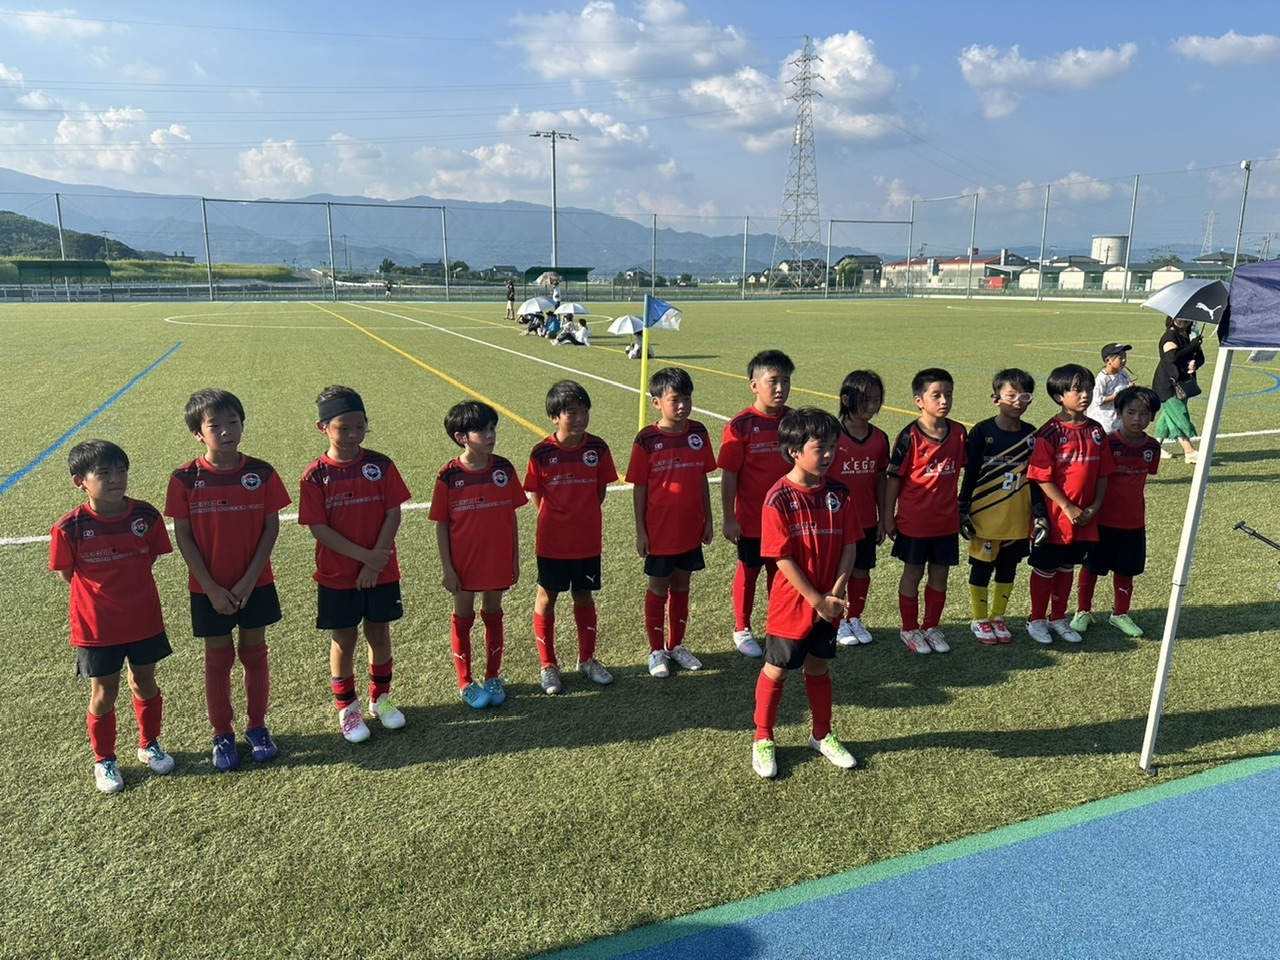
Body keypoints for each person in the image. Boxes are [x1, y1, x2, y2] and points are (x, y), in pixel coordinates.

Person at [165, 388, 291, 770]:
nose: (225, 431)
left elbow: (271, 528)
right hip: (209, 589)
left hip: (256, 583)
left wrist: (249, 581)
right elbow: (184, 536)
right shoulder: (184, 478)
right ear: (197, 434)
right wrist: (211, 588)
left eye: (233, 422)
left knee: (254, 653)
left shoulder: (262, 472)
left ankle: (257, 727)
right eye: (214, 425)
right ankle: (222, 734)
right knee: (218, 660)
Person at [50, 440, 176, 794]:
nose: (116, 479)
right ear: (80, 482)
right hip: (97, 627)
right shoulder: (69, 528)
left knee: (145, 682)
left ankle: (149, 744)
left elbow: (150, 556)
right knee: (104, 692)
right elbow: (67, 573)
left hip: (144, 620)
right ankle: (104, 759)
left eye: (121, 471)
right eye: (104, 473)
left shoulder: (145, 516)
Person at [751, 408, 860, 779]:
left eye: (833, 446)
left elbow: (849, 545)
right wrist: (816, 600)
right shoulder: (778, 498)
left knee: (818, 666)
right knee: (777, 669)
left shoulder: (839, 493)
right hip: (792, 604)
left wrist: (835, 594)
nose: (828, 454)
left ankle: (822, 734)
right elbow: (781, 557)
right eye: (820, 447)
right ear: (794, 450)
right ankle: (763, 737)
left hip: (830, 602)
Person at [299, 386, 411, 742]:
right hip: (338, 575)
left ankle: (381, 698)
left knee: (379, 633)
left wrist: (376, 563)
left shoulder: (381, 465)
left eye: (359, 426)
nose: (352, 435)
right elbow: (319, 529)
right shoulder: (315, 476)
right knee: (344, 640)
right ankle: (347, 708)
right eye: (343, 428)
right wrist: (366, 558)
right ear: (323, 428)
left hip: (381, 570)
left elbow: (393, 513)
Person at [431, 401, 528, 709]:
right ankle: (465, 682)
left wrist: (514, 558)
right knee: (463, 618)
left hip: (496, 559)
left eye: (492, 428)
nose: (490, 435)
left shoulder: (504, 468)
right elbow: (442, 525)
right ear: (461, 438)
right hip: (464, 564)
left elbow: (511, 516)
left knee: (493, 613)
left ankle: (492, 676)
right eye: (482, 430)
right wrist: (448, 569)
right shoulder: (448, 475)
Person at [523, 381, 618, 695]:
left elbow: (600, 491)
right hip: (552, 542)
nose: (580, 418)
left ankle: (587, 659)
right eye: (571, 412)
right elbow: (536, 494)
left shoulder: (598, 448)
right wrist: (557, 518)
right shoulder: (541, 452)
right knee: (547, 598)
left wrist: (581, 515)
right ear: (555, 417)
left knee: (584, 595)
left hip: (587, 540)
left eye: (584, 411)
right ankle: (548, 665)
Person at [626, 367, 717, 678]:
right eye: (675, 399)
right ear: (656, 403)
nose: (682, 405)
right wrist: (641, 530)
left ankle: (676, 644)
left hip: (689, 527)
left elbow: (702, 478)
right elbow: (639, 487)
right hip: (660, 531)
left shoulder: (698, 432)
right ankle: (656, 650)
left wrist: (708, 518)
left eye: (687, 398)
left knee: (682, 586)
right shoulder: (647, 439)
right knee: (658, 588)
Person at [1024, 364, 1116, 644]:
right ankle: (1036, 620)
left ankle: (1058, 618)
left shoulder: (1096, 430)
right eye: (1077, 390)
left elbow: (1103, 473)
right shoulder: (1049, 432)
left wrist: (1095, 506)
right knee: (1046, 568)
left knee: (1067, 567)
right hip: (1056, 518)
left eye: (1088, 388)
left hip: (1085, 517)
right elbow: (1041, 477)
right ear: (1059, 397)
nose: (1085, 395)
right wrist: (1066, 506)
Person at [884, 368, 968, 654]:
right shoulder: (909, 436)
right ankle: (909, 629)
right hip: (914, 522)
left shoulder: (959, 433)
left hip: (946, 522)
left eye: (948, 394)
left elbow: (967, 470)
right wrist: (888, 516)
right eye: (936, 395)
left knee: (940, 575)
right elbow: (894, 478)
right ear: (919, 401)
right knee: (913, 573)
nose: (944, 401)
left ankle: (931, 627)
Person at [718, 349, 795, 658]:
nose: (780, 388)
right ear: (754, 385)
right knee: (749, 572)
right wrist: (729, 518)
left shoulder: (794, 421)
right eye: (772, 381)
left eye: (785, 381)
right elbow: (729, 475)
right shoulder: (740, 426)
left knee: (782, 573)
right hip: (752, 520)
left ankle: (777, 625)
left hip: (788, 519)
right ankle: (742, 628)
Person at [1071, 386, 1162, 638]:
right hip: (1102, 521)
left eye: (1144, 414)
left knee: (1126, 570)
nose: (1137, 419)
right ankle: (1083, 611)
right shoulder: (1107, 444)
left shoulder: (1152, 447)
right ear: (1119, 413)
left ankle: (1120, 614)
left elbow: (1149, 473)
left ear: (1152, 416)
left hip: (1133, 522)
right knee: (1091, 567)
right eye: (1131, 412)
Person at [959, 369, 1039, 645]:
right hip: (985, 516)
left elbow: (1036, 477)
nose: (1018, 401)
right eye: (1011, 395)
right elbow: (970, 473)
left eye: (1024, 396)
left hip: (1017, 516)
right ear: (996, 399)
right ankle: (979, 618)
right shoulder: (982, 432)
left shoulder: (1031, 434)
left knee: (1008, 568)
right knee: (982, 568)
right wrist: (962, 506)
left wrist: (1039, 512)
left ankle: (997, 616)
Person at [831, 370, 889, 646]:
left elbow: (881, 479)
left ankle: (855, 617)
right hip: (834, 522)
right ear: (846, 400)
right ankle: (837, 621)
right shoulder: (831, 435)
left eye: (876, 400)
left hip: (865, 520)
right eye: (865, 400)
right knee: (837, 573)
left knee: (861, 571)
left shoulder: (880, 438)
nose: (871, 406)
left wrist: (882, 517)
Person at [1152, 317, 1204, 463]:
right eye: (1180, 318)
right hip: (1168, 384)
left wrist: (1196, 363)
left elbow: (1200, 357)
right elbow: (1172, 357)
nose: (1184, 321)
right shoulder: (1170, 336)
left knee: (1168, 416)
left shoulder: (1191, 336)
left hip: (1183, 383)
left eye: (1187, 319)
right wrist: (1193, 345)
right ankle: (1189, 451)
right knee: (1179, 414)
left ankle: (1154, 448)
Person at [1086, 343, 1134, 433]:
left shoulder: (1123, 374)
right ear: (1108, 360)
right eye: (1120, 357)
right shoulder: (1102, 379)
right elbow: (1097, 400)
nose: (1124, 360)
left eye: (1125, 356)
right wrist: (1117, 396)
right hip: (1104, 423)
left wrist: (1131, 389)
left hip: (1118, 421)